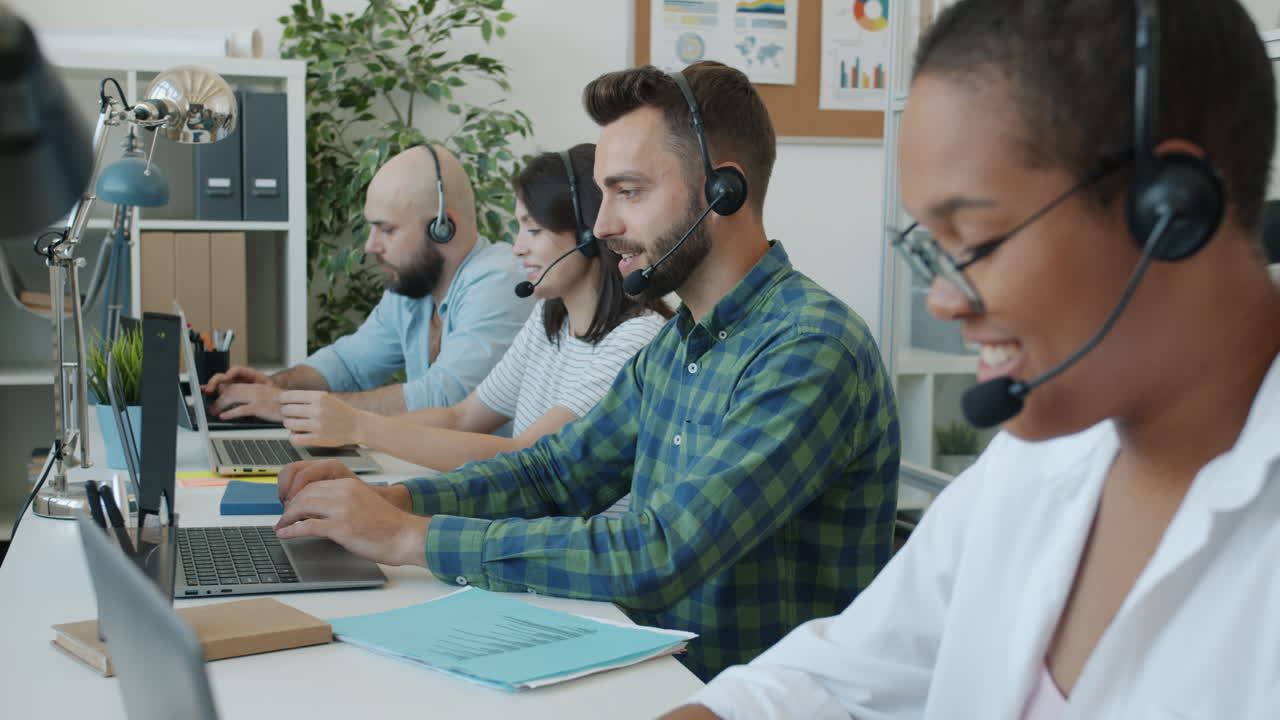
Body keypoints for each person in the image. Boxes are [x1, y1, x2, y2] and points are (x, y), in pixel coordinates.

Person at [665, 0, 1280, 717]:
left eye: (977, 242)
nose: (944, 302)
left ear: (1171, 209)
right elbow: (829, 678)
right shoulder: (1034, 463)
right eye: (933, 247)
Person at [269, 61, 901, 681]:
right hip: (649, 670)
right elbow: (558, 471)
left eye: (629, 192)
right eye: (603, 195)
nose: (602, 227)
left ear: (722, 190)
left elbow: (663, 550)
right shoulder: (681, 341)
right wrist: (394, 501)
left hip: (737, 695)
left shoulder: (809, 347)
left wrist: (412, 538)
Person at [273, 144, 672, 472]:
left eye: (533, 230)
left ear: (590, 235)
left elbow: (526, 456)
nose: (518, 247)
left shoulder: (633, 340)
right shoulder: (551, 319)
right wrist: (352, 432)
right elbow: (461, 417)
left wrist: (360, 427)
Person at [202, 143, 532, 422]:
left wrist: (287, 406)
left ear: (444, 228)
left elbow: (444, 399)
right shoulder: (414, 287)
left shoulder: (501, 280)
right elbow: (350, 364)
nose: (370, 245)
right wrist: (276, 386)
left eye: (387, 230)